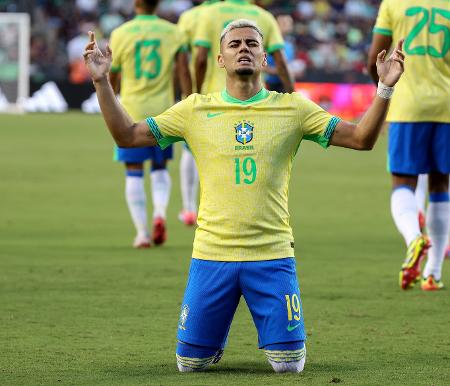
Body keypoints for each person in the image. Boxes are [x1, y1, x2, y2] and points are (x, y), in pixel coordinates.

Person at [83, 19, 404, 372]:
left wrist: (385, 89)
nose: (244, 49)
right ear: (220, 59)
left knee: (288, 366)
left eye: (252, 44)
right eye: (234, 44)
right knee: (189, 365)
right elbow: (127, 136)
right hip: (211, 255)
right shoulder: (194, 109)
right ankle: (210, 340)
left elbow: (362, 139)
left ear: (265, 58)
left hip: (272, 255)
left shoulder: (293, 108)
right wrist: (101, 81)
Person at [368, 0, 450, 291]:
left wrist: (384, 94)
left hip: (407, 105)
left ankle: (414, 238)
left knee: (403, 182)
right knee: (440, 185)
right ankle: (433, 273)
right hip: (447, 106)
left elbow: (375, 55)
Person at [108, 0, 191, 248]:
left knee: (133, 171)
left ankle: (142, 233)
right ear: (158, 4)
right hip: (164, 111)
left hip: (130, 111)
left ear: (136, 2)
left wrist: (111, 101)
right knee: (160, 167)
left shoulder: (121, 33)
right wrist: (188, 100)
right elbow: (182, 70)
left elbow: (114, 75)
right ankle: (159, 213)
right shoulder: (173, 32)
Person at [194, 0, 294, 94]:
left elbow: (201, 59)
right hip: (254, 96)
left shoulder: (210, 13)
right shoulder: (265, 16)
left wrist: (196, 93)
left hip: (218, 95)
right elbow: (281, 63)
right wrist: (292, 94)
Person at [176, 0, 221, 226]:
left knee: (189, 150)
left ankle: (189, 207)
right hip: (232, 92)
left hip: (201, 92)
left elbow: (183, 61)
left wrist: (188, 92)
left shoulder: (190, 17)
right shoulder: (233, 15)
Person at [264, 14, 297, 92]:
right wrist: (278, 71)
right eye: (284, 23)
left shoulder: (290, 43)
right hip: (269, 85)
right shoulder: (268, 42)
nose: (287, 26)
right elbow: (259, 65)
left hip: (285, 84)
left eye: (289, 23)